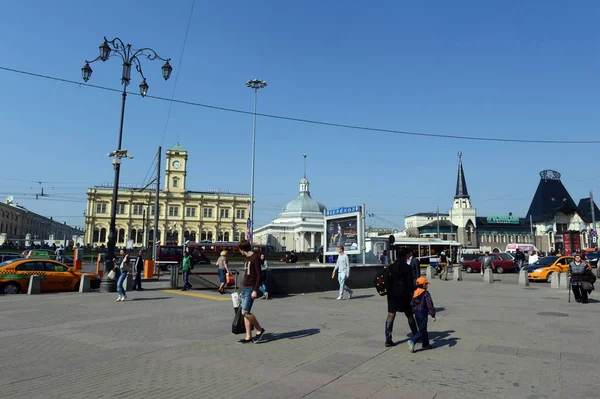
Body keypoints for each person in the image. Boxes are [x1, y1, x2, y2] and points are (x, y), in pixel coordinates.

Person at [384, 249, 418, 347]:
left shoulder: (390, 267)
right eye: (407, 255)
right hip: (404, 294)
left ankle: (388, 339)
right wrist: (412, 293)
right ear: (405, 256)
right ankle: (416, 335)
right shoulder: (407, 268)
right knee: (409, 315)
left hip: (392, 295)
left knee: (391, 315)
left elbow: (387, 281)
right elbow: (410, 284)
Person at [237, 240, 266, 344]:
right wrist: (242, 289)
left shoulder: (255, 258)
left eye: (239, 249)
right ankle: (248, 336)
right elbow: (246, 274)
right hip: (245, 287)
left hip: (251, 288)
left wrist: (255, 289)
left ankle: (259, 329)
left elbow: (259, 275)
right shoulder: (246, 258)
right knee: (245, 312)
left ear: (241, 249)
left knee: (244, 312)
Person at [408, 277, 436, 352]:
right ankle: (412, 341)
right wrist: (433, 314)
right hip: (423, 314)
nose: (427, 285)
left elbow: (412, 303)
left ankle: (425, 344)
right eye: (426, 284)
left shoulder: (415, 292)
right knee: (422, 331)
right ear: (423, 285)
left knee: (423, 329)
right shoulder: (425, 293)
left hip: (417, 314)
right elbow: (430, 304)